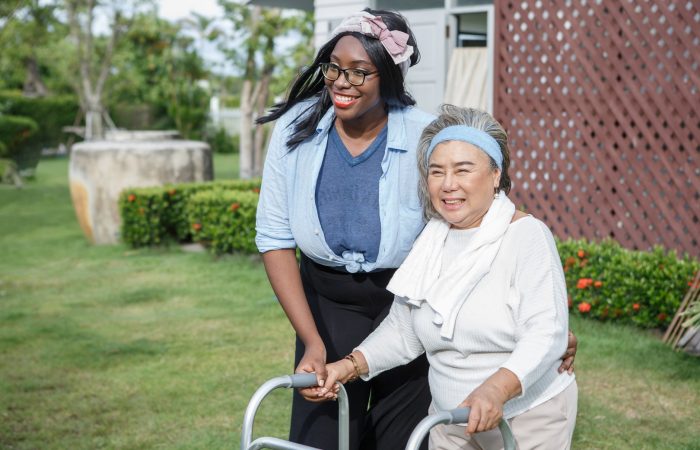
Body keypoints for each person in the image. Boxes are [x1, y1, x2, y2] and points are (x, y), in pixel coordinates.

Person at [255, 9, 577, 450]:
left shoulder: (434, 142)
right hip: (331, 302)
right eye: (334, 67)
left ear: (388, 75)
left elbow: (503, 261)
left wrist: (546, 336)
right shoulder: (299, 130)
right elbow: (405, 329)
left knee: (400, 435)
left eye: (359, 71)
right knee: (323, 434)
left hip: (412, 299)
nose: (447, 184)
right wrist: (331, 355)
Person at [321, 105, 578, 450]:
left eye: (463, 169)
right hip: (449, 420)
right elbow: (404, 331)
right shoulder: (432, 239)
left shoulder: (527, 237)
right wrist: (347, 366)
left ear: (495, 174)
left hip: (526, 416)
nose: (448, 184)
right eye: (437, 171)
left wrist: (495, 388)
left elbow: (546, 333)